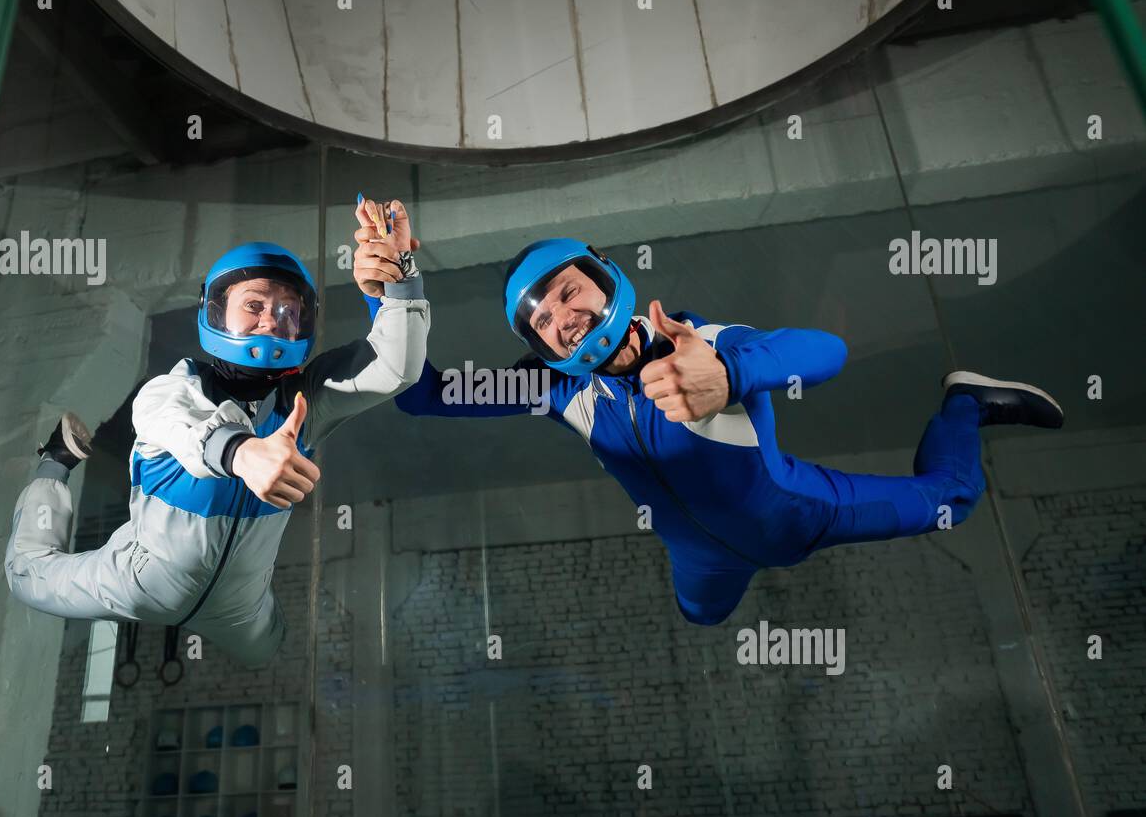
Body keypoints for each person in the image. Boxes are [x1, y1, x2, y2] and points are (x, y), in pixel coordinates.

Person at [384, 237, 1062, 626]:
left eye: (568, 291)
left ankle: (966, 406)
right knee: (703, 616)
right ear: (540, 344)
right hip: (704, 560)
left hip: (804, 512)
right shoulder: (554, 388)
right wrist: (396, 287)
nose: (562, 316)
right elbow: (423, 394)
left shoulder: (699, 342)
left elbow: (825, 350)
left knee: (952, 500)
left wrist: (731, 375)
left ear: (604, 278)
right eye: (542, 320)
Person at [4, 205, 427, 666]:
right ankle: (55, 461)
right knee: (27, 578)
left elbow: (395, 368)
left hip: (240, 607)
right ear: (215, 309)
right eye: (254, 305)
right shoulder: (168, 393)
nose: (271, 319)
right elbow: (182, 426)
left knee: (270, 654)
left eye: (287, 310)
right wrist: (244, 454)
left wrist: (399, 280)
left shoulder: (307, 400)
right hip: (136, 581)